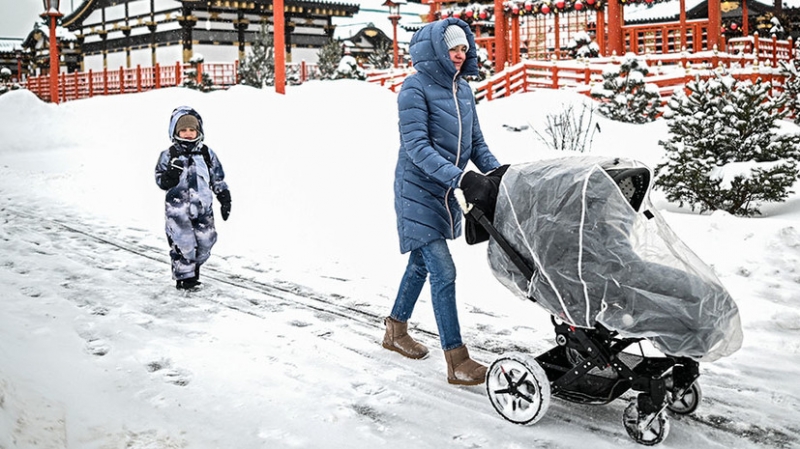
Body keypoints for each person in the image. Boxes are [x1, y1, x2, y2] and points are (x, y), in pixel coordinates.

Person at [383, 18, 503, 386]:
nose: (459, 54)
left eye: (464, 48)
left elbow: (477, 144)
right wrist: (461, 178)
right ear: (436, 48)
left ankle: (395, 330)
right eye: (453, 48)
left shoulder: (463, 90)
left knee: (420, 263)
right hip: (417, 190)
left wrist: (499, 174)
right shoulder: (414, 88)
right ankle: (457, 360)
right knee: (443, 270)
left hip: (446, 191)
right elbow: (417, 149)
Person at [154, 106, 232, 290]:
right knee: (183, 244)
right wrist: (170, 176)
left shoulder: (206, 154)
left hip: (203, 208)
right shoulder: (169, 155)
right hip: (178, 211)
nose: (188, 134)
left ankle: (193, 268)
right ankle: (185, 279)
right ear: (175, 131)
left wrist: (224, 196)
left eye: (192, 130)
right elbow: (160, 179)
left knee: (206, 241)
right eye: (183, 130)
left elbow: (217, 177)